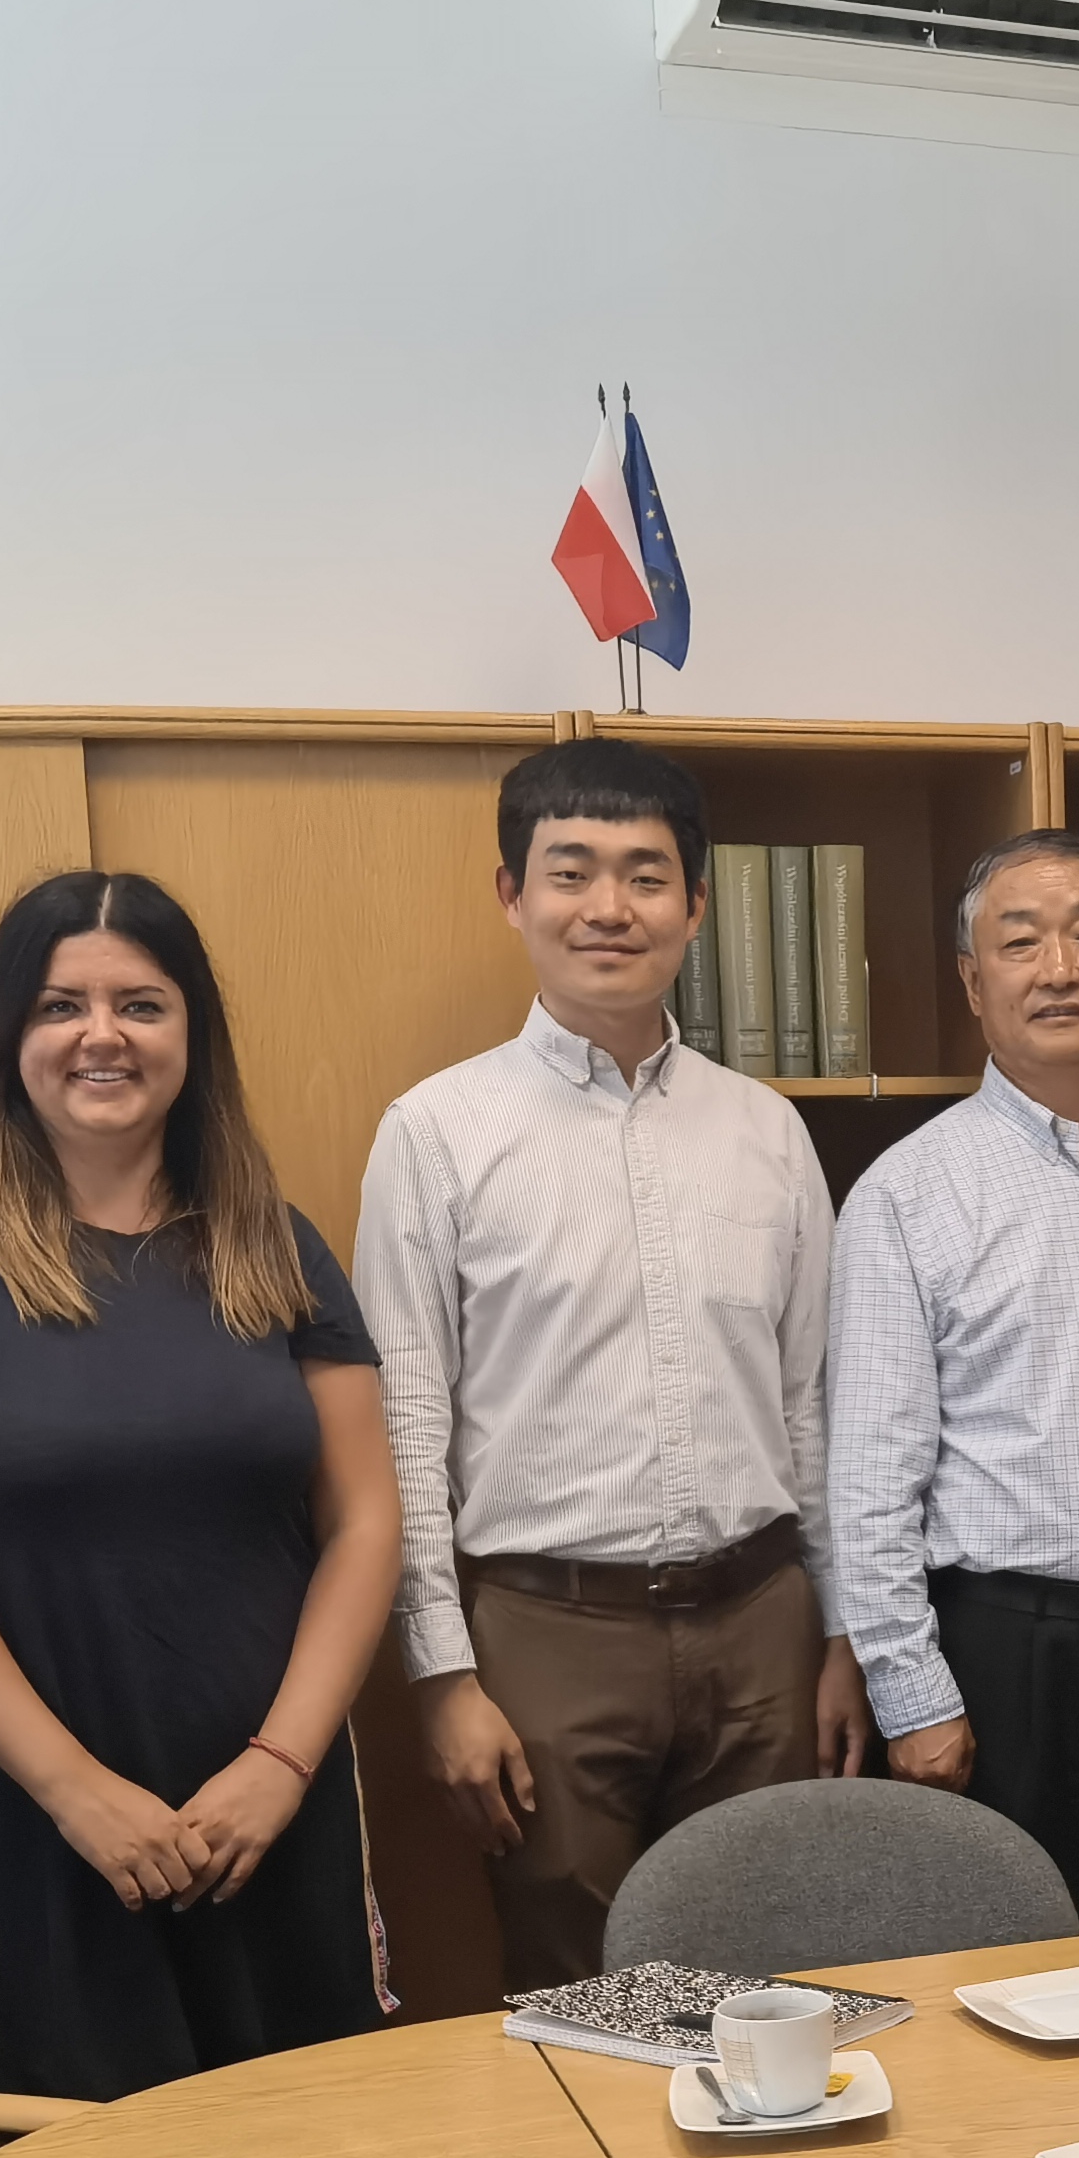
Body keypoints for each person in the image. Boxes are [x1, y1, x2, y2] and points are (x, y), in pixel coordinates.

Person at [0, 870, 397, 2099]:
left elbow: (361, 1521)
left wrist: (280, 1764)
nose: (101, 1035)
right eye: (58, 1005)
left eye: (140, 1003)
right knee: (88, 2154)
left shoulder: (276, 1240)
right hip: (42, 1811)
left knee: (323, 2130)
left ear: (192, 1032)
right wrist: (75, 1792)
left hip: (276, 1795)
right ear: (7, 1036)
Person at [356, 740, 862, 1991]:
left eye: (644, 875)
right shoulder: (435, 1131)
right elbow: (405, 1425)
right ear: (511, 894)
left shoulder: (768, 1131)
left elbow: (811, 1405)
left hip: (761, 1625)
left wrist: (844, 1634)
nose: (608, 906)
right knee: (580, 1989)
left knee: (772, 1977)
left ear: (695, 904)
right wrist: (441, 1675)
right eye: (570, 870)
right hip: (545, 1632)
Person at [827, 831, 1079, 1925]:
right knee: (1022, 1959)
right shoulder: (907, 1192)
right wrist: (912, 1698)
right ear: (975, 983)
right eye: (1020, 943)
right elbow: (869, 1479)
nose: (1058, 968)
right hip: (1011, 1657)